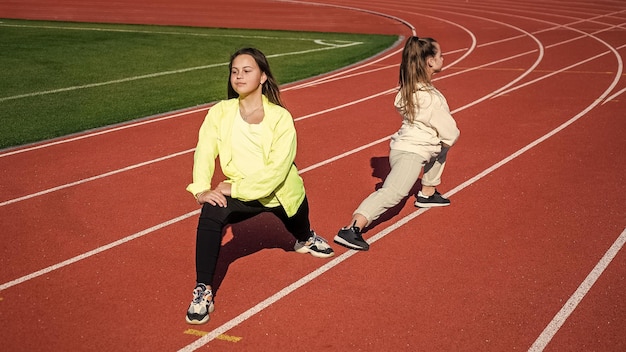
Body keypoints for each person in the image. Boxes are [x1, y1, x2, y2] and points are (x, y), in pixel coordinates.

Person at [185, 47, 334, 324]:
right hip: (239, 191)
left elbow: (278, 170)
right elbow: (204, 150)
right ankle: (203, 289)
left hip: (279, 193)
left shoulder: (280, 118)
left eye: (247, 70)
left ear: (263, 76)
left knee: (298, 224)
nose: (239, 76)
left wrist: (237, 190)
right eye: (234, 71)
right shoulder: (220, 112)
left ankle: (306, 237)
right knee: (211, 211)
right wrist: (201, 188)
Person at [334, 36, 460, 251]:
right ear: (430, 61)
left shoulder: (409, 89)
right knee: (393, 192)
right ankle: (352, 228)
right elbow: (450, 132)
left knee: (440, 148)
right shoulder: (430, 98)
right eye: (439, 55)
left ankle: (427, 193)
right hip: (412, 154)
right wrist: (448, 138)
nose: (443, 58)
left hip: (404, 146)